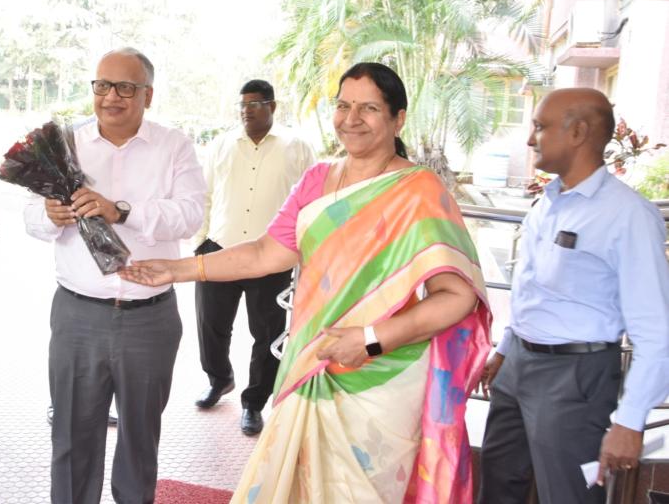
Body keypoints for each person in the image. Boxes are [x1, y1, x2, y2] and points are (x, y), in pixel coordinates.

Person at [121, 62, 491, 503]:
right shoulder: (317, 180)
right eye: (343, 105)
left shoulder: (419, 191)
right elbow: (263, 253)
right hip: (312, 365)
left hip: (382, 380)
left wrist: (370, 340)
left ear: (398, 119)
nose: (351, 119)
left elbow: (457, 297)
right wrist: (178, 269)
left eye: (369, 108)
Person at [24, 48, 205, 504]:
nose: (111, 97)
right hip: (78, 316)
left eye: (125, 87)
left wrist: (120, 210)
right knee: (70, 437)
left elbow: (190, 216)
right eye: (102, 85)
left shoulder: (174, 146)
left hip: (150, 318)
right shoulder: (65, 145)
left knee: (140, 439)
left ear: (148, 94)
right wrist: (51, 214)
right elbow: (29, 219)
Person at [477, 88, 669, 504]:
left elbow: (655, 331)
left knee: (568, 495)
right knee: (497, 485)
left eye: (540, 127)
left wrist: (631, 422)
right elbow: (532, 289)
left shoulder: (629, 216)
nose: (530, 140)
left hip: (576, 377)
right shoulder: (547, 204)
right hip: (518, 368)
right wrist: (506, 349)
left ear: (579, 132)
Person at [192, 78, 314, 436]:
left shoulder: (298, 147)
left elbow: (310, 202)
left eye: (255, 104)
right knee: (211, 324)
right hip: (220, 249)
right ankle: (219, 379)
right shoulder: (221, 144)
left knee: (267, 333)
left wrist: (302, 251)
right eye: (242, 104)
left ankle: (254, 402)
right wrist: (201, 241)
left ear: (272, 106)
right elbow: (206, 194)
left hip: (272, 256)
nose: (246, 110)